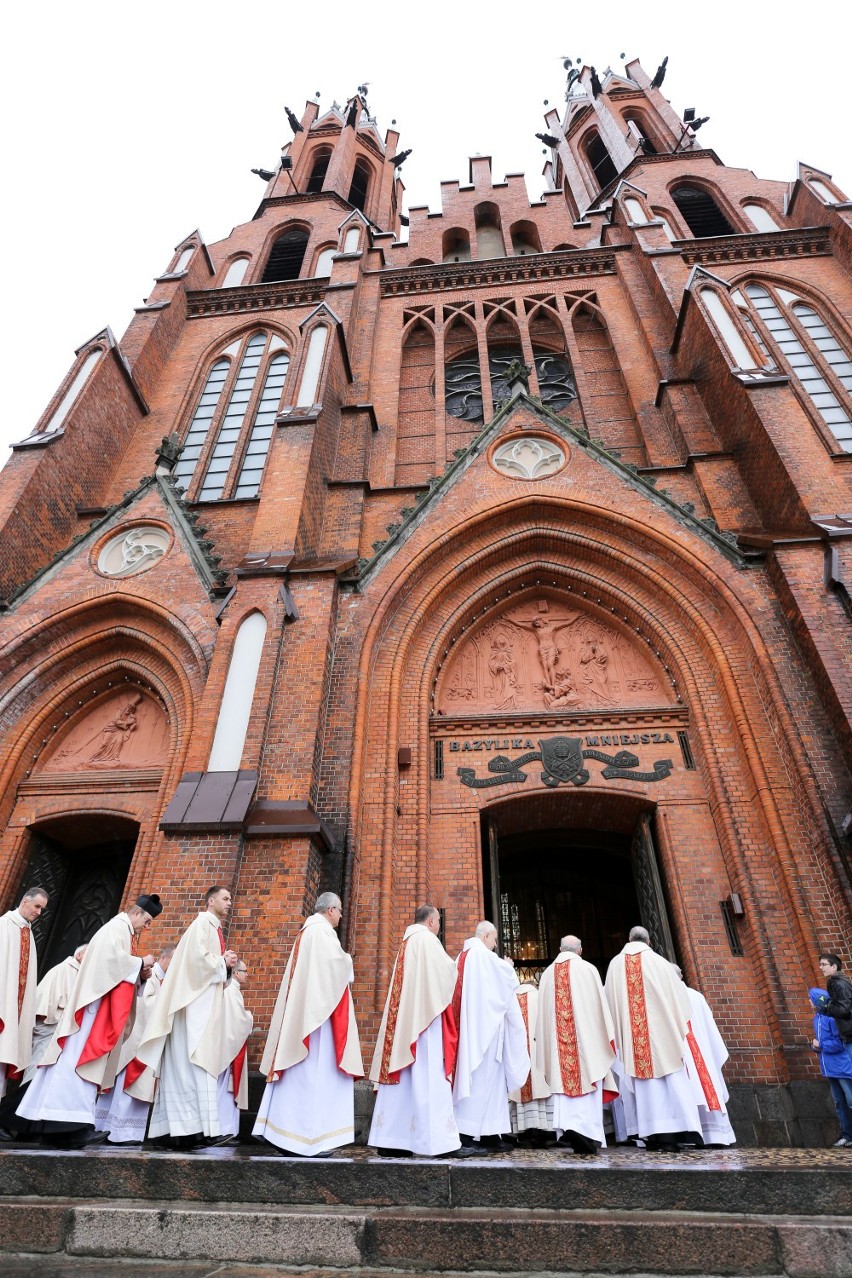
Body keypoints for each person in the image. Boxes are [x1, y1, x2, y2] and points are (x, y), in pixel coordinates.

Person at [17, 895, 160, 1148]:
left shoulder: (124, 933)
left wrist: (139, 972)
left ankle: (64, 1130)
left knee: (79, 1067)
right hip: (91, 1011)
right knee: (78, 1064)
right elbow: (106, 963)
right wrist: (140, 962)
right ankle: (69, 1128)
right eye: (146, 922)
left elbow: (116, 968)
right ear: (136, 913)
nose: (146, 928)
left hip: (97, 1009)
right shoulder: (115, 929)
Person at [254, 892, 362, 1156]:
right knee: (312, 1075)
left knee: (300, 1077)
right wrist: (348, 960)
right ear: (330, 910)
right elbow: (334, 967)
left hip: (307, 1014)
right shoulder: (321, 932)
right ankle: (304, 1139)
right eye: (339, 910)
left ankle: (287, 1134)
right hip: (316, 1021)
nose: (341, 916)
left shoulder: (308, 931)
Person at [137, 885, 239, 1148]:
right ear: (211, 901)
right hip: (193, 1012)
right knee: (193, 1066)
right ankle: (190, 1132)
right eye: (225, 898)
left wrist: (223, 967)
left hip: (200, 1007)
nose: (229, 903)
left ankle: (183, 1133)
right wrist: (223, 963)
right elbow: (197, 963)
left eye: (230, 899)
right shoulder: (202, 924)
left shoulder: (212, 927)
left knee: (189, 1069)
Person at [368, 903, 463, 1158]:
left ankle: (392, 1140)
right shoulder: (427, 942)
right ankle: (439, 1143)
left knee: (402, 1082)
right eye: (439, 923)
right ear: (432, 921)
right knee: (428, 1077)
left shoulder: (406, 942)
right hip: (424, 1024)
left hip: (403, 1024)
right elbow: (446, 974)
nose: (439, 927)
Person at [605, 926, 701, 1152]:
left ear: (629, 939)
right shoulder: (660, 962)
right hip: (663, 1034)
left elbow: (609, 1003)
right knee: (671, 1082)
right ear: (648, 942)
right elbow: (680, 998)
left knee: (646, 1087)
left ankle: (653, 1133)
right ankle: (678, 1132)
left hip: (634, 1038)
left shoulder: (615, 965)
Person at [452, 921, 529, 1151]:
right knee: (479, 1084)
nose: (495, 945)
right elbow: (506, 979)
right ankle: (465, 1135)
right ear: (485, 936)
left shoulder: (462, 957)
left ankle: (490, 1134)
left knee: (490, 1085)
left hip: (477, 1031)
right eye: (494, 940)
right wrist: (507, 965)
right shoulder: (481, 956)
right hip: (483, 1035)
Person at [536, 935, 617, 1155]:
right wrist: (606, 1037)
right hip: (586, 1043)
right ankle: (586, 1133)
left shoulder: (547, 975)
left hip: (558, 1049)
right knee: (587, 1076)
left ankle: (571, 1129)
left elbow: (541, 1018)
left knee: (563, 1082)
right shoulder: (588, 970)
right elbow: (601, 1009)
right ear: (580, 951)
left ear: (560, 949)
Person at [93, 945, 174, 1145]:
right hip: (137, 1041)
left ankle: (128, 1133)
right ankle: (113, 1131)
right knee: (124, 1085)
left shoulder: (167, 981)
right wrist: (168, 1003)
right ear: (163, 958)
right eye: (174, 960)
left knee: (139, 1089)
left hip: (151, 1041)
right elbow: (143, 1003)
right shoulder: (151, 976)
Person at [0, 887, 48, 1137]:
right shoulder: (4, 926)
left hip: (15, 1011)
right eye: (37, 906)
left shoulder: (27, 933)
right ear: (24, 901)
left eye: (42, 909)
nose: (39, 913)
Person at [672, 964, 736, 1147]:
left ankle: (694, 1135)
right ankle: (717, 1137)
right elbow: (711, 1030)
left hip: (684, 1054)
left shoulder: (669, 998)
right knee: (705, 1086)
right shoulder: (697, 996)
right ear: (681, 976)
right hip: (703, 1052)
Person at [508, 977, 554, 1146]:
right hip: (537, 1052)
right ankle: (542, 1131)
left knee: (520, 1088)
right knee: (539, 1086)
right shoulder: (539, 996)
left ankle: (522, 1132)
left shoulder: (512, 997)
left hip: (517, 1053)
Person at [214, 960, 254, 1145]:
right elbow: (236, 1020)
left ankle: (228, 1128)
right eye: (244, 971)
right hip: (229, 1049)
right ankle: (223, 1129)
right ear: (236, 973)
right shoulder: (231, 991)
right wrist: (249, 1017)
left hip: (231, 1046)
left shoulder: (233, 990)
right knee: (225, 1089)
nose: (247, 974)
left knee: (228, 1089)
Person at [809, 985, 852, 1148]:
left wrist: (822, 1044)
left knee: (850, 1100)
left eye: (811, 998)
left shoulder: (832, 1018)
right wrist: (814, 1046)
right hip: (829, 1068)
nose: (809, 1001)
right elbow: (821, 1044)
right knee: (839, 1103)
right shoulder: (817, 1018)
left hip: (842, 1067)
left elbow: (840, 1043)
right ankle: (847, 1135)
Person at [819, 953, 852, 1069]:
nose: (820, 967)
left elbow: (844, 1010)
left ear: (834, 967)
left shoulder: (839, 983)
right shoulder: (836, 982)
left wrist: (827, 1005)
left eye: (823, 964)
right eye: (820, 964)